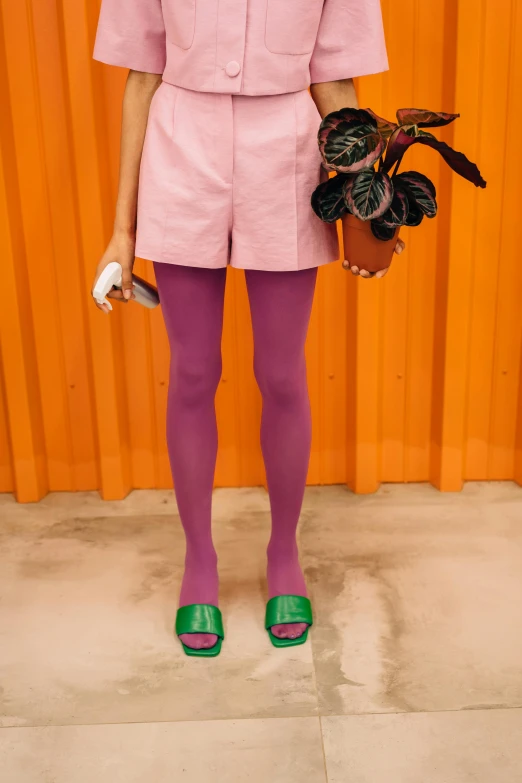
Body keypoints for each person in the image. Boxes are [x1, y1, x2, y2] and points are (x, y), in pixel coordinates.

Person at [91, 0, 405, 657]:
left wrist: (367, 212)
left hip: (288, 161)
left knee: (283, 374)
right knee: (194, 371)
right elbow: (142, 78)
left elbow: (337, 84)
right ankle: (199, 561)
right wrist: (122, 229)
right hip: (180, 154)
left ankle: (284, 553)